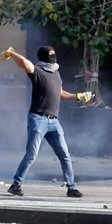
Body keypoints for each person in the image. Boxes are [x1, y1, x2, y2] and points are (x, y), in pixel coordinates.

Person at [3, 46, 90, 198]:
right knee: (31, 154)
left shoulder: (56, 73)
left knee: (65, 155)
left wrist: (77, 96)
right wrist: (12, 53)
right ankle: (16, 185)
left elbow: (60, 93)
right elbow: (24, 63)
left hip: (54, 122)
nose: (52, 61)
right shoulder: (37, 71)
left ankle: (71, 188)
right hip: (38, 119)